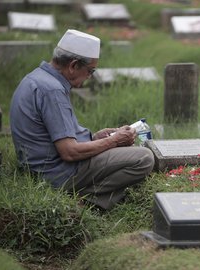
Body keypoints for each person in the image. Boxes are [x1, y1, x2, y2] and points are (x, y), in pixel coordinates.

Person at [10, 29, 155, 210]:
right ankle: (87, 202)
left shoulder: (37, 78)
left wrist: (95, 137)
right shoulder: (52, 91)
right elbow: (69, 152)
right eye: (90, 71)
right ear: (73, 65)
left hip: (41, 167)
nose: (89, 77)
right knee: (144, 158)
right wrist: (114, 141)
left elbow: (55, 135)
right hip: (56, 173)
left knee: (128, 150)